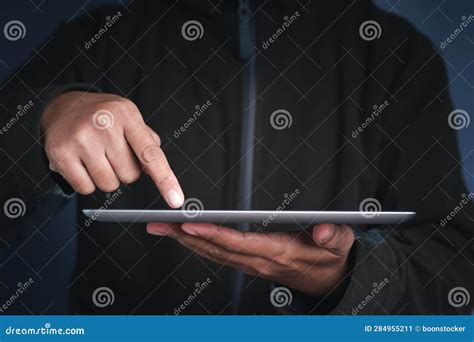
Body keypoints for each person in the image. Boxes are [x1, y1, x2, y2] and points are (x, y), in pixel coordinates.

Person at [0, 0, 472, 315]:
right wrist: (42, 118)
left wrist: (352, 275)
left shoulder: (394, 53)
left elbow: (455, 272)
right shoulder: (104, 35)